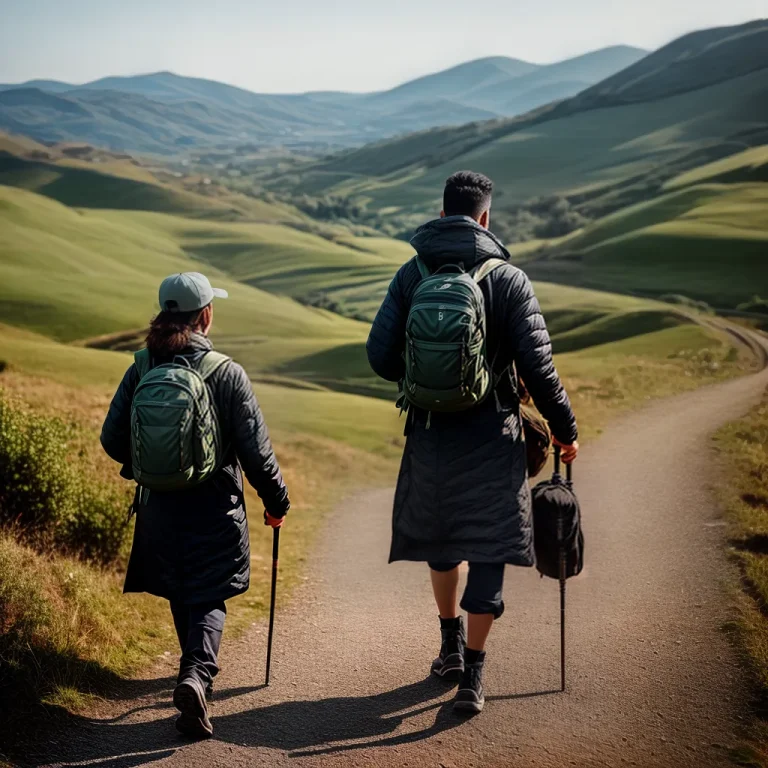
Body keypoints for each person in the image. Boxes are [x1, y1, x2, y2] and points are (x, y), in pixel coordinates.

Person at [366, 171, 578, 714]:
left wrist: (425, 372)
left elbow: (380, 357)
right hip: (494, 435)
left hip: (431, 434)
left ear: (442, 216)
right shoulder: (509, 280)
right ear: (485, 218)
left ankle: (449, 645)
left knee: (442, 542)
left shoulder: (411, 274)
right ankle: (474, 678)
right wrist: (565, 430)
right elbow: (541, 367)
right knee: (490, 547)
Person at [101, 272, 290, 739]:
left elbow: (111, 438)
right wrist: (277, 502)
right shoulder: (225, 372)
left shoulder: (142, 367)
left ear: (165, 316)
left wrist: (148, 467)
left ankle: (192, 674)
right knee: (208, 593)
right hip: (214, 505)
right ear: (206, 315)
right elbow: (256, 452)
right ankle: (196, 677)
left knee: (180, 589)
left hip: (158, 508)